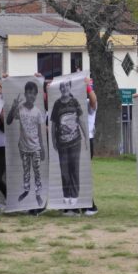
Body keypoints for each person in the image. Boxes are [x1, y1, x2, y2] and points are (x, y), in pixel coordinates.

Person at [6, 80, 46, 208]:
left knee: (37, 171)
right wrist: (13, 107)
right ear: (25, 93)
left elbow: (40, 132)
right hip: (23, 147)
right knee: (26, 171)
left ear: (36, 95)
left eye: (34, 93)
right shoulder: (20, 108)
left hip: (35, 148)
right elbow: (8, 121)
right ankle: (26, 190)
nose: (31, 96)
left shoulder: (38, 112)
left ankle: (38, 193)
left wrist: (42, 148)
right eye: (29, 93)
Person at [50, 79, 86, 210]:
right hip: (62, 144)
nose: (64, 88)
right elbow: (54, 124)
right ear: (60, 88)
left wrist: (86, 137)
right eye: (62, 86)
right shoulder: (57, 104)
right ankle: (66, 196)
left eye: (67, 85)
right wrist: (53, 139)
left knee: (74, 169)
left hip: (76, 142)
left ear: (70, 87)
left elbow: (80, 120)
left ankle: (75, 197)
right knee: (64, 171)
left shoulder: (75, 102)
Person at [83, 77, 99, 216]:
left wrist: (89, 88)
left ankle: (91, 205)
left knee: (84, 174)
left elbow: (94, 101)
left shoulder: (89, 103)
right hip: (74, 142)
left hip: (87, 141)